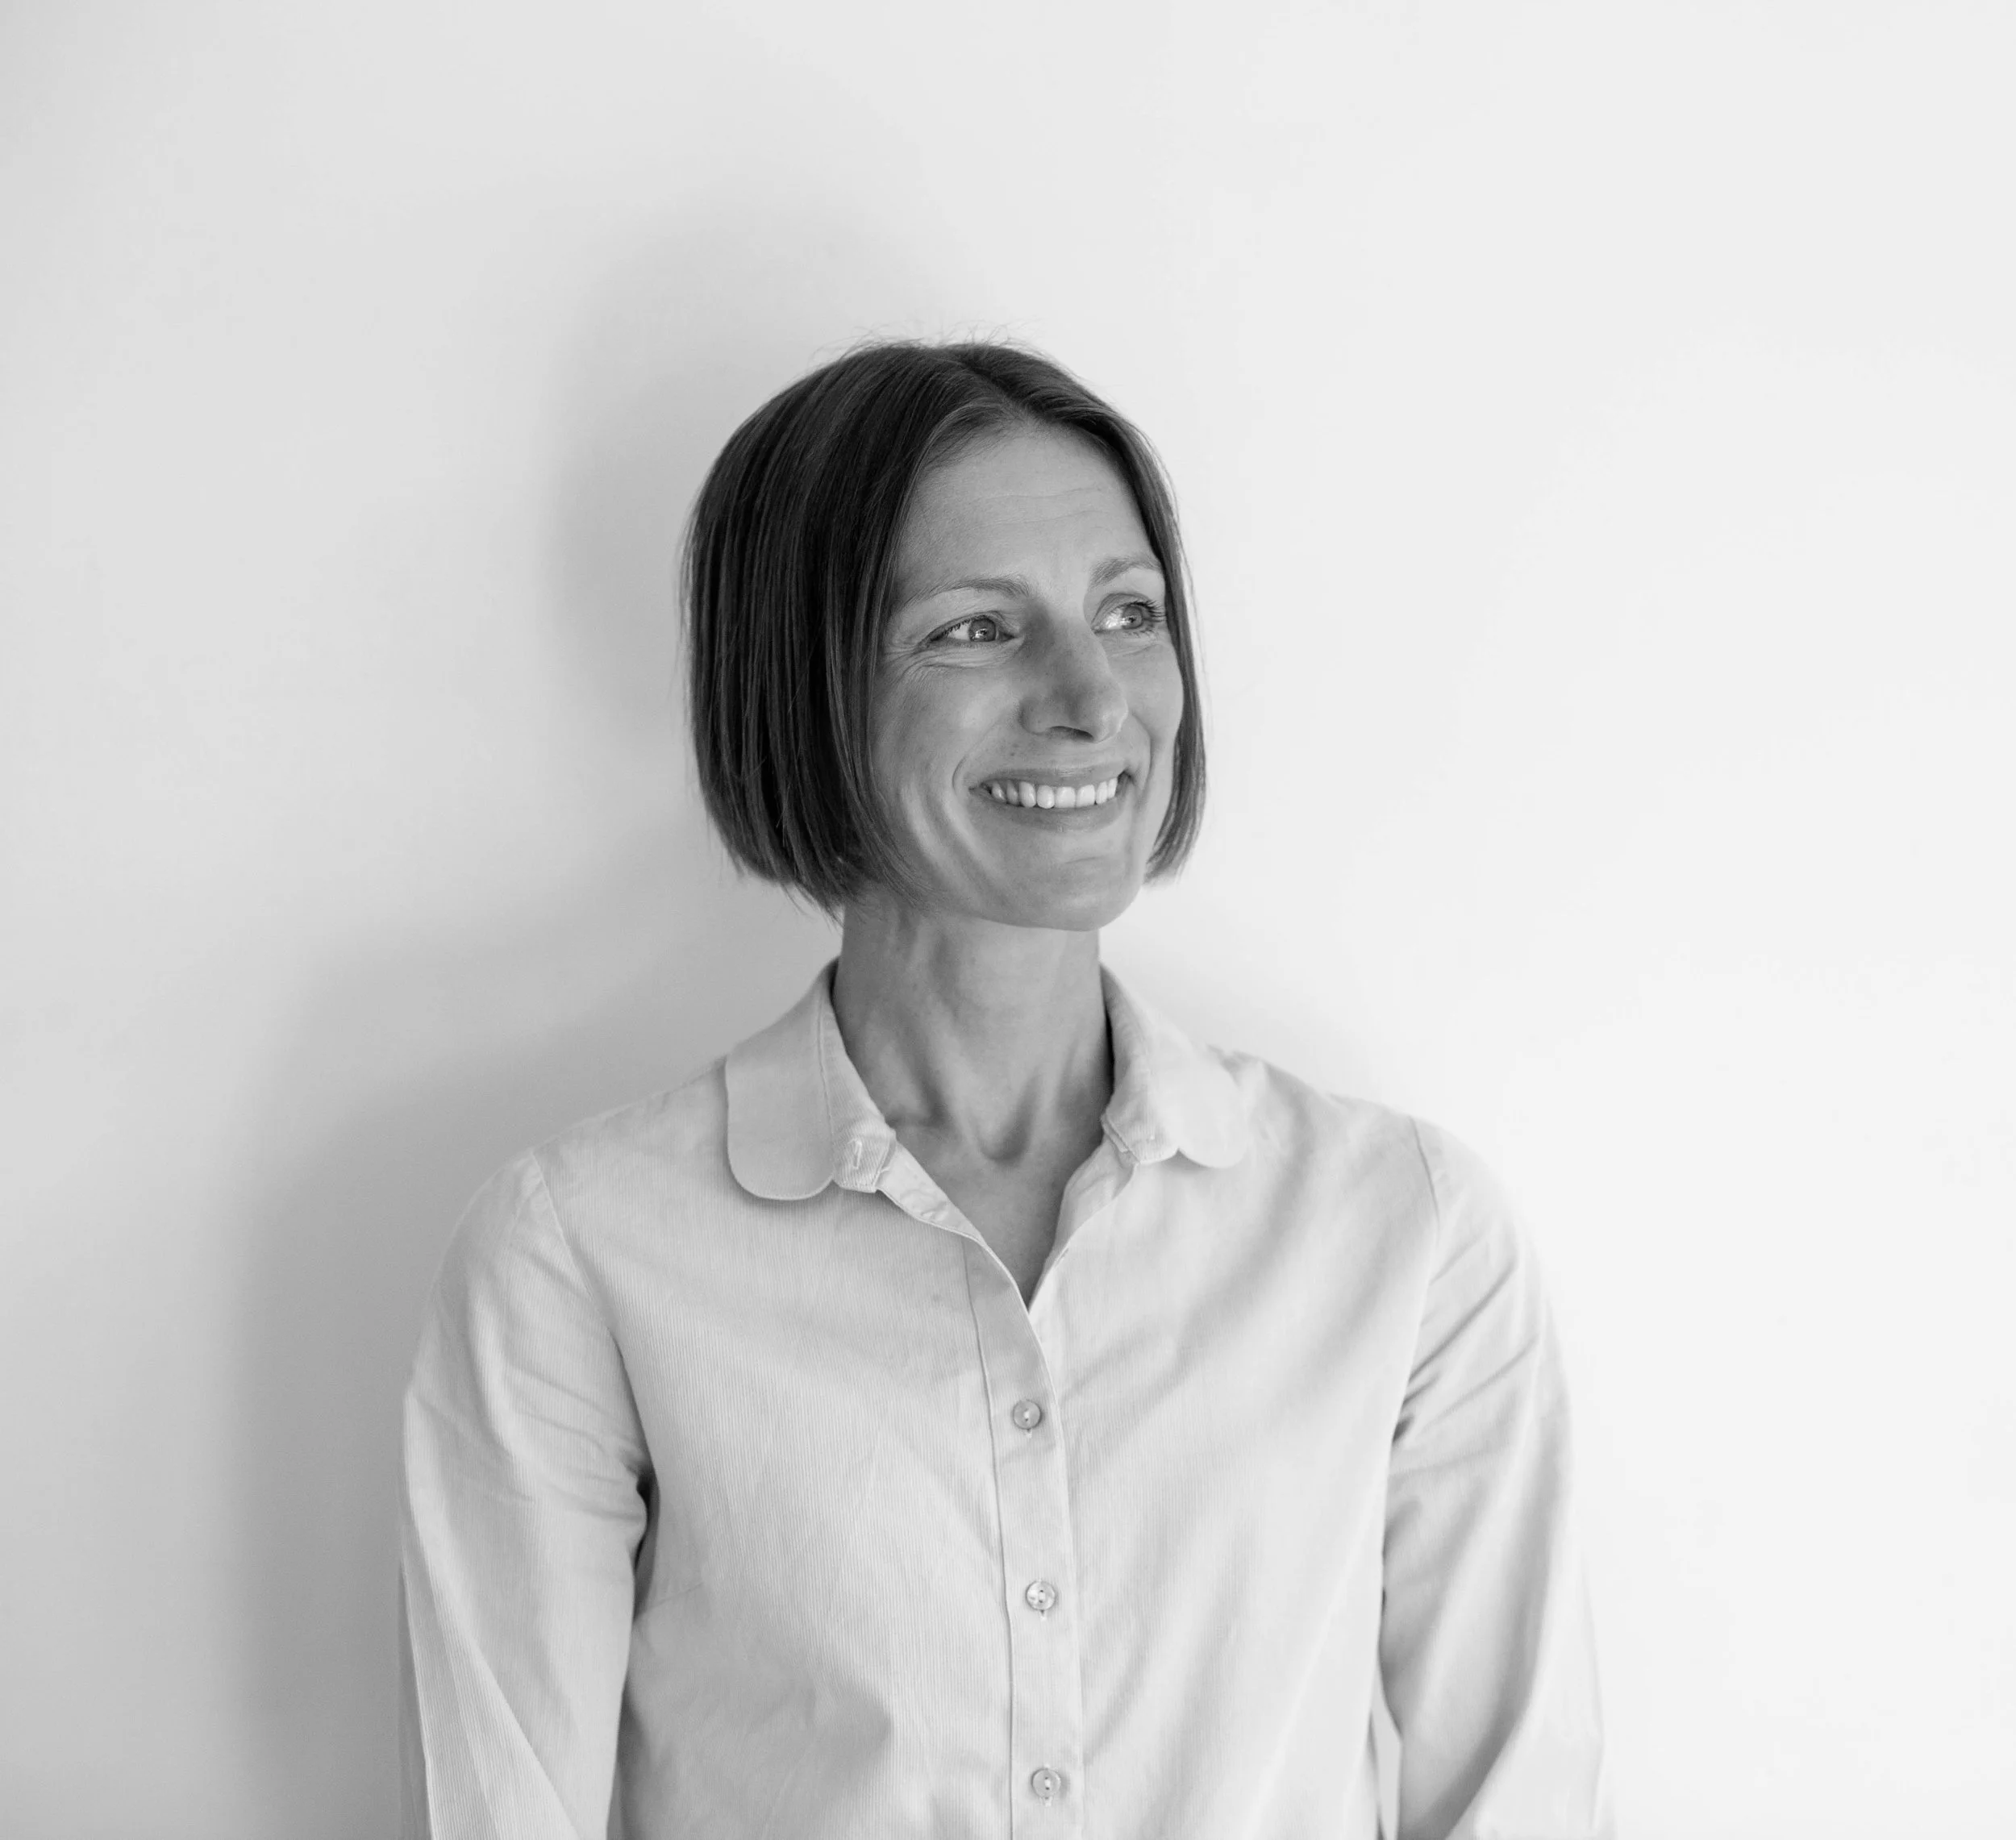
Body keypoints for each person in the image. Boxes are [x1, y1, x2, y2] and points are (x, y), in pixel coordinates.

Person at [398, 339, 1613, 1838]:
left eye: (1131, 613)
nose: (1093, 695)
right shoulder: (578, 1255)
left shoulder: (1405, 1233)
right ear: (801, 687)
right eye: (977, 629)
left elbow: (1521, 1802)